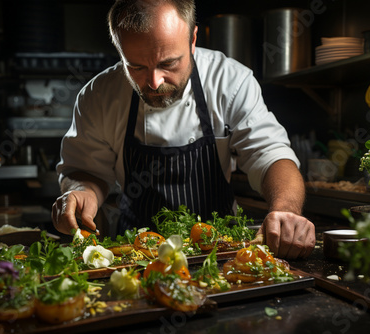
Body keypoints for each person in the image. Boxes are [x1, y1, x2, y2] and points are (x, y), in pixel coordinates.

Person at [51, 0, 315, 259]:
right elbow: (86, 170)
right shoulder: (99, 96)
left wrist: (285, 209)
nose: (154, 82)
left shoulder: (230, 81)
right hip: (137, 256)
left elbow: (270, 155)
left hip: (222, 253)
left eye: (168, 63)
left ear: (192, 39)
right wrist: (82, 192)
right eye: (136, 66)